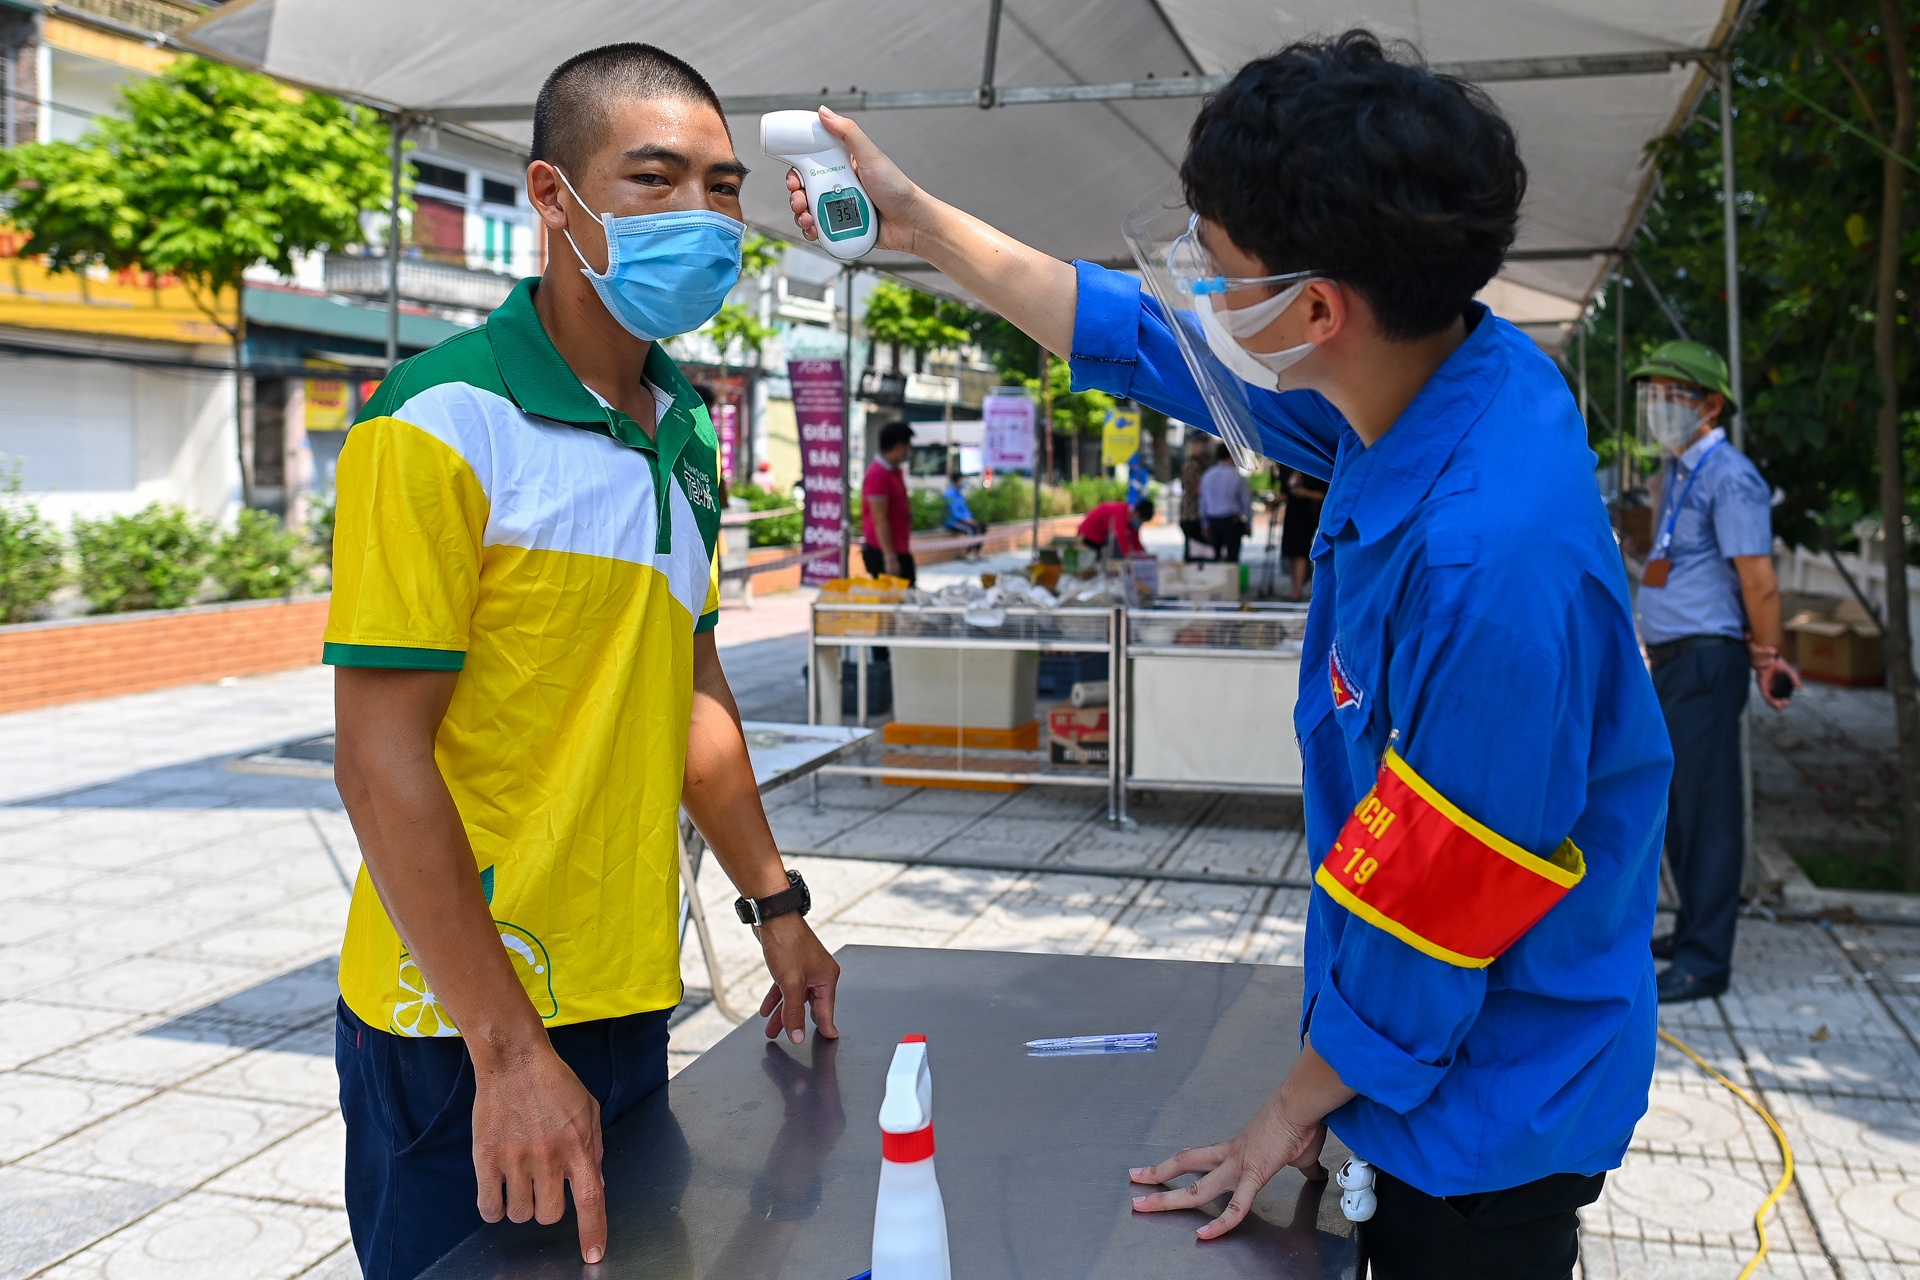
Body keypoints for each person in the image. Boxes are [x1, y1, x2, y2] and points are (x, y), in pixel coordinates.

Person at [784, 29, 1669, 1279]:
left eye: (1219, 267)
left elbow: (1433, 919)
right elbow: (1143, 339)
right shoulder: (1430, 379)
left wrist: (1287, 1110)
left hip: (1485, 1112)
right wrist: (918, 222)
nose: (1198, 286)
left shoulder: (1491, 564)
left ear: (1318, 310)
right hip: (1420, 1058)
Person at [325, 44, 840, 1280]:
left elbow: (692, 692)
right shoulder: (437, 422)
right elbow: (376, 758)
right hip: (458, 1017)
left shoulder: (690, 432)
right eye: (656, 180)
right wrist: (505, 1052)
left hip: (619, 987)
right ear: (554, 199)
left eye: (722, 189)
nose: (702, 219)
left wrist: (776, 904)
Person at [1630, 340, 1800, 1003]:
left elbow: (1757, 580)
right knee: (1679, 807)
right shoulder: (1680, 473)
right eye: (1650, 397)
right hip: (1676, 661)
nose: (1656, 409)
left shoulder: (1730, 475)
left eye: (1670, 397)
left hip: (1708, 659)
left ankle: (1705, 960)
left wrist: (1770, 654)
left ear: (1709, 404)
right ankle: (1692, 928)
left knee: (1707, 811)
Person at [861, 419, 915, 582]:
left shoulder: (893, 471)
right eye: (907, 446)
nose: (909, 450)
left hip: (898, 547)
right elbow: (880, 519)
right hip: (884, 552)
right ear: (899, 446)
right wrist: (889, 558)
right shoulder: (878, 474)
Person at [1198, 442, 1254, 561]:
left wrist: (1204, 523)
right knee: (1232, 558)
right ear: (1231, 456)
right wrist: (1248, 523)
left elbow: (1203, 501)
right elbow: (1246, 502)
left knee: (1214, 557)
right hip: (1231, 521)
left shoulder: (1207, 475)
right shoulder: (1237, 476)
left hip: (1213, 520)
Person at [1281, 468, 1327, 599]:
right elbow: (1285, 492)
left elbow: (1322, 494)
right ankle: (1295, 587)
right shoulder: (1287, 470)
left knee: (1301, 551)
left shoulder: (1313, 471)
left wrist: (1305, 493)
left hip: (1308, 514)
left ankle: (1297, 589)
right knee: (1290, 551)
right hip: (1292, 513)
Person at [1079, 496, 1153, 560]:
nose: (1140, 523)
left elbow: (1136, 541)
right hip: (1089, 534)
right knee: (1092, 564)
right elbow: (1121, 536)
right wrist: (1128, 557)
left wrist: (1143, 556)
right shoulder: (1121, 511)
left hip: (1100, 536)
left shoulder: (1131, 520)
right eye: (1141, 521)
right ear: (1137, 514)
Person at [1179, 433, 1214, 560]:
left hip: (1196, 514)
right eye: (1202, 444)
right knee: (1195, 553)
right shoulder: (1192, 465)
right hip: (1192, 515)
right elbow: (1194, 489)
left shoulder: (1201, 463)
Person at [941, 469, 985, 554]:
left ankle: (977, 551)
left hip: (964, 520)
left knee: (982, 526)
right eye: (962, 480)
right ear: (957, 481)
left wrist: (970, 519)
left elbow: (965, 510)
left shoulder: (960, 494)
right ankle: (969, 553)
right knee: (970, 529)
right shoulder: (949, 494)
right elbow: (954, 513)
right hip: (953, 522)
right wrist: (968, 520)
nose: (963, 482)